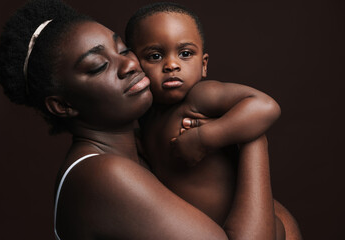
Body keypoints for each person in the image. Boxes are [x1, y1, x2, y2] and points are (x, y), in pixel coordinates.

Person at [0, 0, 288, 239]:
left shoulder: (142, 153)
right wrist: (251, 136)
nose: (129, 64)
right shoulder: (105, 174)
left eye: (123, 49)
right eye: (98, 66)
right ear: (62, 105)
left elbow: (269, 216)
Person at [125, 2, 302, 239]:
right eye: (155, 56)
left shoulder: (199, 97)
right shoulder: (142, 121)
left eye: (185, 54)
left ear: (204, 65)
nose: (172, 65)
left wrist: (204, 138)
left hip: (253, 226)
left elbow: (266, 106)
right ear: (135, 65)